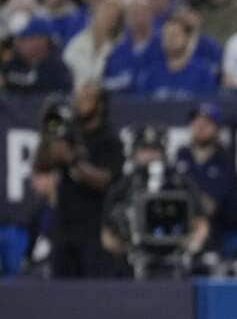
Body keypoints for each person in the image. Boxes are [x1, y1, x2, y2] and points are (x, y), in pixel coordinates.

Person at [33, 83, 124, 277]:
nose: (78, 103)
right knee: (61, 286)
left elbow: (105, 181)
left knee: (93, 289)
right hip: (64, 223)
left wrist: (74, 160)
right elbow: (42, 165)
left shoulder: (110, 139)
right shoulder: (68, 130)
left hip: (95, 225)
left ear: (99, 105)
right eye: (77, 98)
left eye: (85, 99)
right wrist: (47, 137)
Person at [102, 124, 209, 279]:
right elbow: (106, 235)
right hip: (133, 262)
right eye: (144, 150)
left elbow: (202, 224)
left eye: (155, 150)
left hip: (176, 258)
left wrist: (191, 246)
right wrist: (127, 251)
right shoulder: (123, 186)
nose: (150, 156)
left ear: (164, 152)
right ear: (134, 152)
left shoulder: (180, 182)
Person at [175, 102, 237, 253]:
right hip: (179, 235)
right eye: (196, 122)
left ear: (217, 129)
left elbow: (212, 206)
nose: (200, 127)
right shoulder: (181, 156)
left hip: (215, 239)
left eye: (206, 123)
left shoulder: (224, 162)